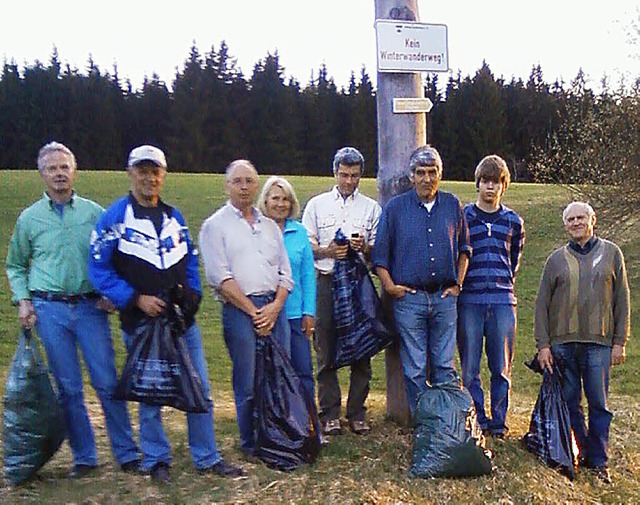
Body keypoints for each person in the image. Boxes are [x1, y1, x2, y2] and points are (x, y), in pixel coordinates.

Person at [88, 145, 243, 483]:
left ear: (164, 174)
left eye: (155, 171)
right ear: (131, 173)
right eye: (143, 171)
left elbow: (189, 259)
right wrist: (134, 298)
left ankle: (207, 457)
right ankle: (156, 460)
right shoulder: (114, 218)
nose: (150, 177)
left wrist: (193, 295)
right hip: (140, 323)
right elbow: (99, 270)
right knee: (150, 392)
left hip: (179, 324)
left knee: (199, 388)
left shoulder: (175, 216)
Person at [6, 141, 140, 479]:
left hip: (90, 308)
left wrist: (113, 293)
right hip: (50, 310)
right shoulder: (29, 219)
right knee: (68, 389)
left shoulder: (94, 213)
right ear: (42, 175)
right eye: (52, 169)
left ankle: (126, 453)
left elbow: (116, 257)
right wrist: (23, 300)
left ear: (75, 171)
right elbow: (16, 265)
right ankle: (85, 458)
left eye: (64, 167)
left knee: (107, 382)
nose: (59, 174)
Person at [199, 159, 293, 458]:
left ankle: (278, 433)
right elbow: (219, 276)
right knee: (248, 379)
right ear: (227, 186)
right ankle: (250, 442)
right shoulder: (215, 226)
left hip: (274, 308)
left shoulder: (269, 226)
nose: (243, 186)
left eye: (249, 181)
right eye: (237, 181)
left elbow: (285, 273)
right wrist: (255, 312)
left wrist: (276, 307)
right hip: (241, 310)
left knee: (280, 374)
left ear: (256, 185)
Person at [534, 201, 630, 484]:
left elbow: (622, 301)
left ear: (592, 220)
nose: (576, 223)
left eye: (580, 218)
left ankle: (600, 462)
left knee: (599, 404)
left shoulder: (613, 254)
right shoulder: (555, 260)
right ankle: (581, 452)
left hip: (599, 343)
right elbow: (541, 305)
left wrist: (619, 342)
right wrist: (543, 345)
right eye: (570, 219)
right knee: (569, 401)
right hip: (563, 344)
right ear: (565, 225)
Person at [373, 145, 471, 418]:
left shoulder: (452, 205)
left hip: (444, 298)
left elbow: (465, 249)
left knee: (444, 366)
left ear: (440, 174)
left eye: (432, 172)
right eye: (420, 172)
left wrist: (458, 285)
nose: (426, 178)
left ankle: (446, 424)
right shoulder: (395, 208)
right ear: (411, 176)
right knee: (415, 367)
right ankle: (424, 423)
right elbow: (380, 255)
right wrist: (391, 287)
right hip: (410, 300)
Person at [301, 147, 381, 436]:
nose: (349, 182)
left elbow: (378, 252)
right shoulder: (316, 205)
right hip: (326, 280)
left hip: (358, 285)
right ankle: (330, 413)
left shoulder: (371, 208)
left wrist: (365, 248)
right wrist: (328, 250)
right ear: (335, 173)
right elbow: (304, 246)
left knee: (362, 348)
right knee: (325, 347)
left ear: (361, 176)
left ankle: (357, 412)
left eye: (355, 176)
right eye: (344, 175)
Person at [457, 155, 525, 439]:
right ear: (478, 184)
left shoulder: (513, 221)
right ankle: (478, 418)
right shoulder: (464, 217)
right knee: (470, 366)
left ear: (503, 186)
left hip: (501, 300)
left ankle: (499, 421)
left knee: (501, 367)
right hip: (470, 299)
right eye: (485, 181)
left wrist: (502, 286)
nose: (490, 187)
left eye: (495, 182)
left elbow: (514, 260)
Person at [258, 176, 317, 404]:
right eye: (275, 198)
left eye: (285, 199)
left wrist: (309, 312)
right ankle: (278, 424)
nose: (280, 204)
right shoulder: (256, 230)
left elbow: (307, 275)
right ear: (266, 201)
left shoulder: (299, 232)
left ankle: (309, 425)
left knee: (303, 372)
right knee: (272, 372)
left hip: (295, 315)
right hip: (266, 314)